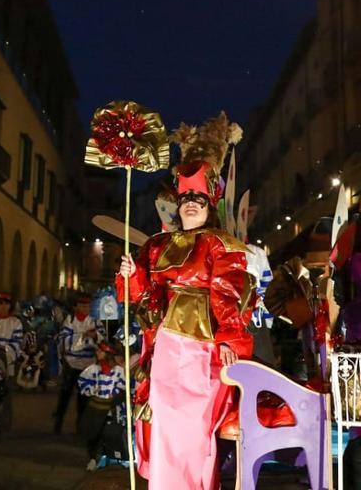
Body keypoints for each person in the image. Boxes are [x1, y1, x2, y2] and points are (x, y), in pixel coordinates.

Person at [117, 113, 256, 489]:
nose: (191, 203)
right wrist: (130, 275)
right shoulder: (156, 246)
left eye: (198, 197)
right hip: (164, 349)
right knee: (162, 424)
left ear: (210, 203)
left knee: (195, 430)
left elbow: (228, 293)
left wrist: (230, 340)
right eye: (185, 198)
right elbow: (139, 296)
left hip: (203, 350)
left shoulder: (221, 245)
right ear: (176, 205)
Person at [53, 294, 100, 433]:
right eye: (82, 306)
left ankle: (81, 426)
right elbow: (64, 340)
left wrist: (94, 337)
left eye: (87, 306)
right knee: (65, 394)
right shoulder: (70, 320)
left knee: (84, 397)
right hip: (71, 363)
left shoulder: (95, 321)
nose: (85, 308)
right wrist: (83, 337)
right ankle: (58, 421)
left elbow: (101, 338)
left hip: (88, 364)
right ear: (76, 307)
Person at [77, 341, 127, 471]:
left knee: (107, 433)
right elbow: (82, 383)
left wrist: (114, 396)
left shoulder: (119, 371)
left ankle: (107, 457)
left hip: (110, 409)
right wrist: (92, 389)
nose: (97, 353)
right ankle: (93, 458)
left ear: (107, 355)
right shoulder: (93, 369)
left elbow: (123, 387)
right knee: (93, 434)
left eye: (100, 351)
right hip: (95, 408)